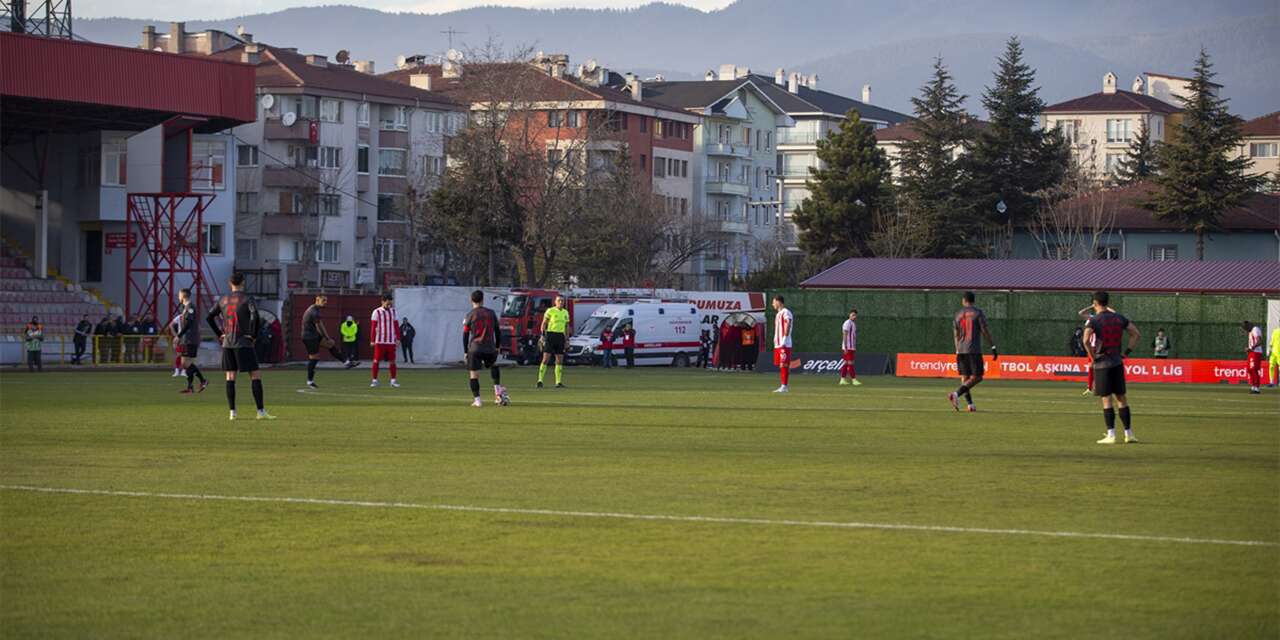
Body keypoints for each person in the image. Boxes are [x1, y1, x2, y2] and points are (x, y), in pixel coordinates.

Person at [206, 273, 275, 420]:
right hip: (243, 342)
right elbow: (255, 315)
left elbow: (209, 317)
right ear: (243, 282)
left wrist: (220, 333)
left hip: (227, 343)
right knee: (255, 375)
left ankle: (232, 412)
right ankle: (260, 412)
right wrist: (253, 335)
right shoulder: (246, 298)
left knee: (230, 377)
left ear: (229, 283)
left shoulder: (223, 299)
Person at [1083, 291, 1139, 444]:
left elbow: (1086, 340)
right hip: (1117, 362)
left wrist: (1093, 357)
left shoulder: (1094, 320)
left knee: (1106, 399)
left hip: (1102, 363)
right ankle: (1129, 434)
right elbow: (1135, 334)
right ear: (1107, 302)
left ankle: (1111, 435)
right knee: (1121, 398)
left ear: (1095, 303)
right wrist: (1125, 353)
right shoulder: (1119, 317)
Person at [949, 291, 997, 412]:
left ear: (964, 300)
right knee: (978, 377)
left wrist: (957, 349)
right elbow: (984, 330)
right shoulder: (977, 313)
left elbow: (955, 334)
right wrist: (993, 346)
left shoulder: (957, 314)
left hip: (960, 349)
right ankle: (956, 394)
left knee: (965, 377)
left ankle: (970, 404)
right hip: (973, 350)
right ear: (973, 301)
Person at [463, 289, 509, 407]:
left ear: (471, 300)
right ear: (483, 300)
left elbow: (465, 334)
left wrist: (465, 351)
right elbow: (498, 332)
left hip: (475, 348)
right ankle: (497, 392)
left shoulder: (470, 315)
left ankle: (477, 400)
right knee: (494, 366)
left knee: (474, 375)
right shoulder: (491, 313)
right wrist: (498, 346)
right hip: (489, 347)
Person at [301, 295, 359, 389]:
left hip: (314, 335)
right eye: (323, 301)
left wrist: (327, 338)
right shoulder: (314, 311)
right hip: (309, 337)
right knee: (314, 358)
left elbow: (321, 324)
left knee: (330, 345)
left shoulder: (316, 310)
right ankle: (309, 381)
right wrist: (326, 337)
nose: (325, 303)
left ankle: (347, 363)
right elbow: (319, 327)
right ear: (317, 300)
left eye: (326, 301)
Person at [174, 288, 208, 395]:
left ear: (183, 296)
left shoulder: (190, 308)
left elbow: (189, 323)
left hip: (190, 339)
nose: (178, 297)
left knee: (186, 363)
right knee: (186, 363)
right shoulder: (186, 308)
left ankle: (203, 381)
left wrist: (178, 336)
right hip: (187, 339)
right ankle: (190, 387)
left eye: (179, 295)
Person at [369, 293, 401, 388]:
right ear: (382, 301)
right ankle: (374, 380)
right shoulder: (376, 312)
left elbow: (396, 326)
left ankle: (393, 381)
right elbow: (373, 327)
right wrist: (372, 340)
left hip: (391, 341)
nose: (389, 305)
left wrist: (398, 338)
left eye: (390, 303)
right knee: (376, 360)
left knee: (392, 361)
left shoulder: (394, 312)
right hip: (380, 340)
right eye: (387, 303)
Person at [537, 295, 569, 388]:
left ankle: (558, 382)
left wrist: (567, 339)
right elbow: (544, 323)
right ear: (555, 302)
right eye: (559, 300)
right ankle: (540, 380)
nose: (561, 302)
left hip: (560, 337)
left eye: (562, 301)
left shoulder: (565, 312)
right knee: (545, 359)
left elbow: (567, 326)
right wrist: (542, 336)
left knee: (559, 360)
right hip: (550, 335)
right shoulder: (550, 311)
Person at [772, 295, 793, 393]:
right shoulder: (778, 314)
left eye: (774, 302)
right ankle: (783, 385)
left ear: (778, 302)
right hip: (778, 343)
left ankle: (784, 386)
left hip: (784, 343)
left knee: (784, 364)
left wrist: (784, 339)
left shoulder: (786, 312)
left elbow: (788, 323)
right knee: (781, 365)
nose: (772, 304)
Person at [839, 309, 862, 386]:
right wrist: (845, 346)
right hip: (848, 347)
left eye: (855, 315)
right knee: (850, 363)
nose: (854, 316)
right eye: (852, 315)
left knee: (846, 363)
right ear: (849, 315)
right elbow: (844, 334)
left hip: (851, 346)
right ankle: (854, 380)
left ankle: (842, 379)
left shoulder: (853, 323)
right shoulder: (847, 323)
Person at [1243, 321, 1264, 394]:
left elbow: (1260, 341)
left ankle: (1257, 388)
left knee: (1254, 369)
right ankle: (1253, 386)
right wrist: (1248, 349)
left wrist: (1251, 348)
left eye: (1246, 328)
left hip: (1256, 352)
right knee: (1249, 369)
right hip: (1251, 352)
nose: (1246, 330)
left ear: (1249, 325)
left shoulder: (1255, 329)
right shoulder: (1250, 331)